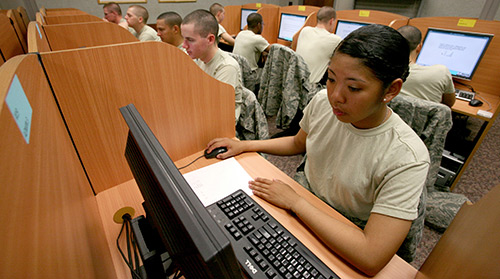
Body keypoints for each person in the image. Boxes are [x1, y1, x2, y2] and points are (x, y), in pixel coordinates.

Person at [206, 24, 430, 276]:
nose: (336, 95)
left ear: (391, 90)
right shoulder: (323, 102)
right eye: (331, 79)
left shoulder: (407, 156)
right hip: (307, 204)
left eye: (354, 88)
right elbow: (298, 143)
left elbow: (371, 255)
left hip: (346, 230)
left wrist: (295, 202)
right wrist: (245, 145)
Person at [181, 9, 243, 122]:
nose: (184, 45)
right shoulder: (199, 58)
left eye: (190, 40)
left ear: (210, 39)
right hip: (202, 114)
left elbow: (219, 114)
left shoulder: (226, 67)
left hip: (219, 125)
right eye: (183, 39)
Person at [397, 25, 456, 107]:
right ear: (419, 47)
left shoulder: (382, 70)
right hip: (427, 119)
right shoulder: (441, 72)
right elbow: (448, 104)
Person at [296, 6, 342, 85]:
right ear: (331, 21)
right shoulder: (335, 40)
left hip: (295, 84)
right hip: (310, 89)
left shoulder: (305, 30)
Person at [232, 13, 270, 78]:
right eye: (262, 24)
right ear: (259, 25)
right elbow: (274, 50)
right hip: (250, 75)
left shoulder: (240, 34)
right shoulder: (257, 39)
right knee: (269, 74)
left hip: (238, 72)